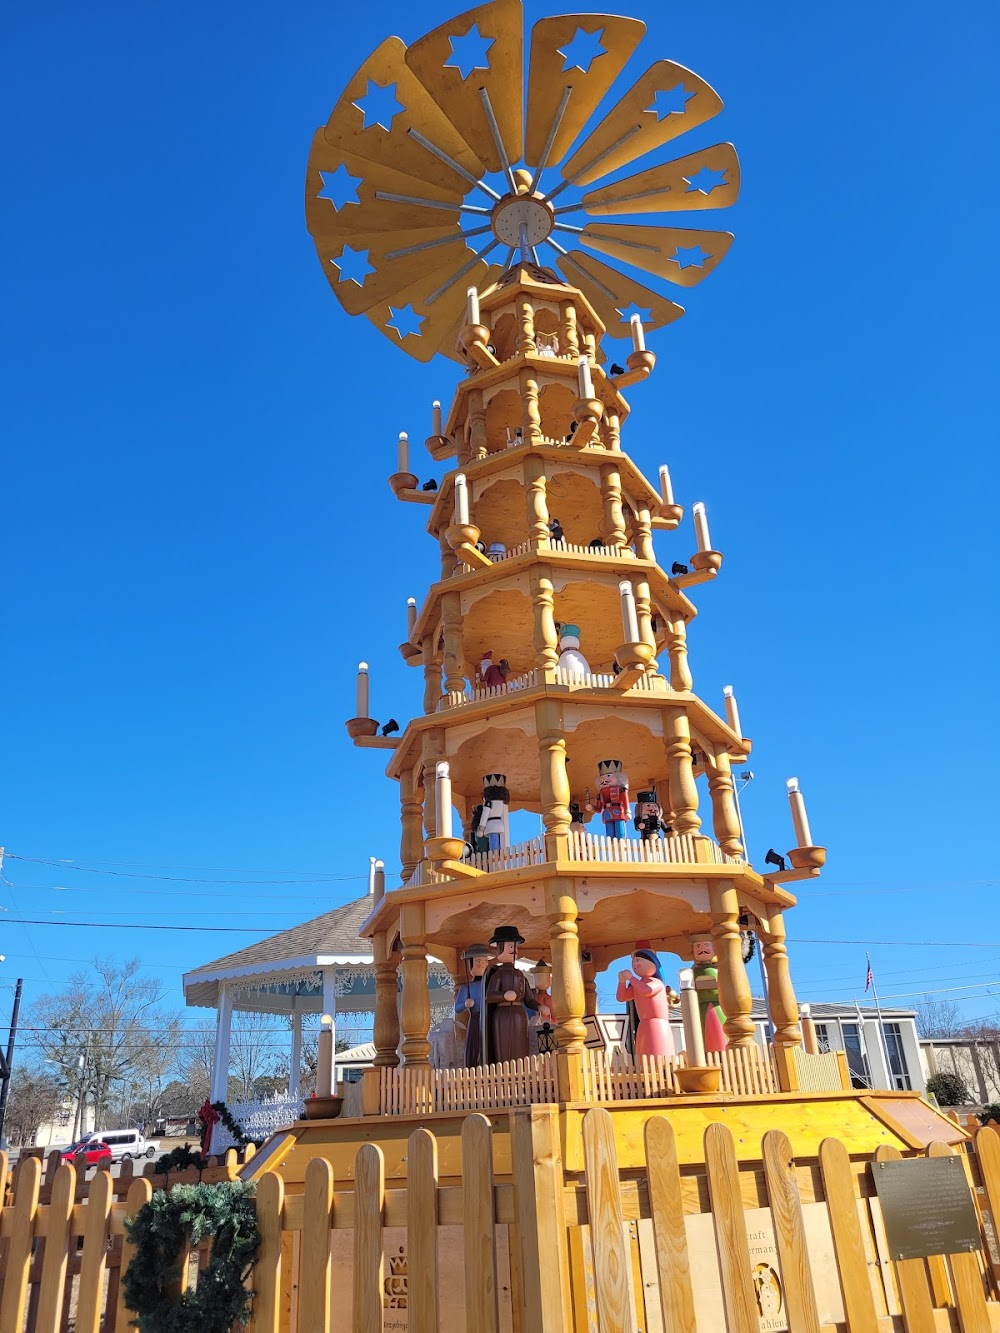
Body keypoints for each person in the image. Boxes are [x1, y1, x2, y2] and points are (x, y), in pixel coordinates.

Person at [482, 925, 539, 1064]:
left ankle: (522, 1072)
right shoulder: (497, 974)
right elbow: (489, 996)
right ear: (500, 948)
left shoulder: (520, 974)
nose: (514, 951)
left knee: (520, 1044)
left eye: (515, 947)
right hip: (503, 1015)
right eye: (511, 947)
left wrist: (539, 1007)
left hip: (519, 1014)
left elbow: (529, 999)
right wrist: (504, 996)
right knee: (505, 1046)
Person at [616, 949, 679, 1059]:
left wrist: (631, 978)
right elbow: (621, 997)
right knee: (644, 1056)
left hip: (657, 1023)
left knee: (658, 1056)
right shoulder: (638, 985)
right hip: (643, 1025)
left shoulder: (657, 983)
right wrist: (621, 982)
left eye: (638, 960)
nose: (636, 964)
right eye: (634, 961)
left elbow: (647, 991)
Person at [454, 944, 492, 1067]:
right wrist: (465, 1003)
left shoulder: (492, 985)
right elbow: (458, 1008)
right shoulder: (467, 987)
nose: (482, 964)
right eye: (478, 961)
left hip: (490, 1018)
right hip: (476, 1019)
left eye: (485, 961)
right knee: (475, 1046)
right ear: (470, 964)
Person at [690, 935, 727, 1051]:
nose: (702, 949)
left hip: (717, 1006)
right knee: (703, 1032)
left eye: (706, 945)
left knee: (719, 1031)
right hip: (700, 1008)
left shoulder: (718, 969)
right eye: (698, 946)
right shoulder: (693, 972)